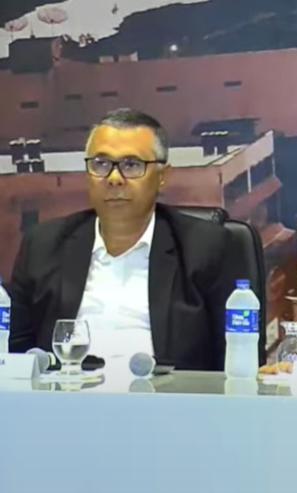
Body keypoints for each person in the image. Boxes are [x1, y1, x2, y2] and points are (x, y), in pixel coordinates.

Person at [7, 108, 240, 370]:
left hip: (165, 394)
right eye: (101, 164)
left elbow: (236, 357)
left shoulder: (205, 248)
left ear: (162, 176)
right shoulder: (44, 246)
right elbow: (13, 352)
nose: (114, 178)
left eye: (131, 165)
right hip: (66, 393)